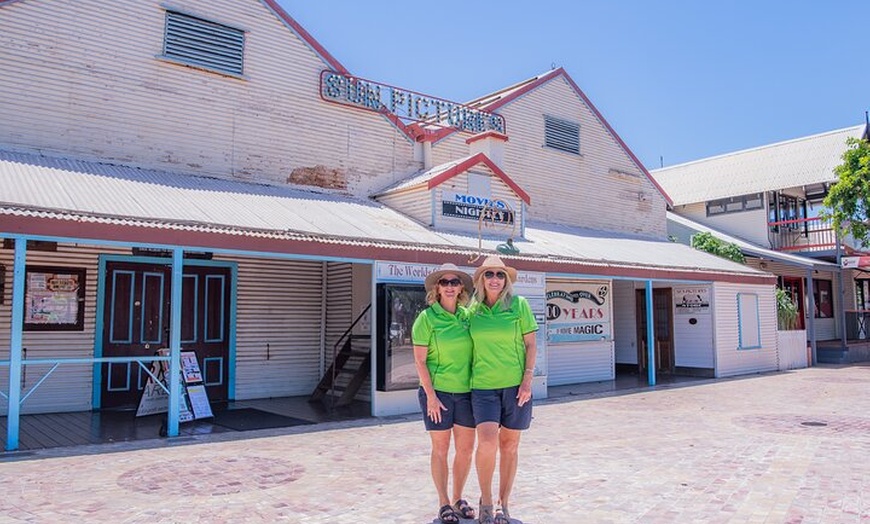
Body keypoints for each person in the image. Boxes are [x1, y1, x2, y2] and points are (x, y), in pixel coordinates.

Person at [468, 255, 538, 524]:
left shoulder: (519, 305)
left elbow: (531, 345)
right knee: (487, 443)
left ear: (506, 279)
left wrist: (527, 380)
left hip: (516, 387)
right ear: (481, 280)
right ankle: (485, 501)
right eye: (489, 274)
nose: (494, 279)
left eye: (499, 274)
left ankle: (502, 504)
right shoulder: (471, 311)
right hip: (483, 387)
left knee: (509, 446)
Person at [412, 263, 478, 524]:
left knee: (465, 450)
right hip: (437, 394)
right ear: (436, 288)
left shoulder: (467, 316)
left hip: (466, 394)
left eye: (454, 282)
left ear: (461, 287)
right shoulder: (426, 319)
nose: (450, 286)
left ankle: (458, 498)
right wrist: (431, 396)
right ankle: (443, 503)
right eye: (444, 282)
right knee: (440, 449)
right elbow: (419, 362)